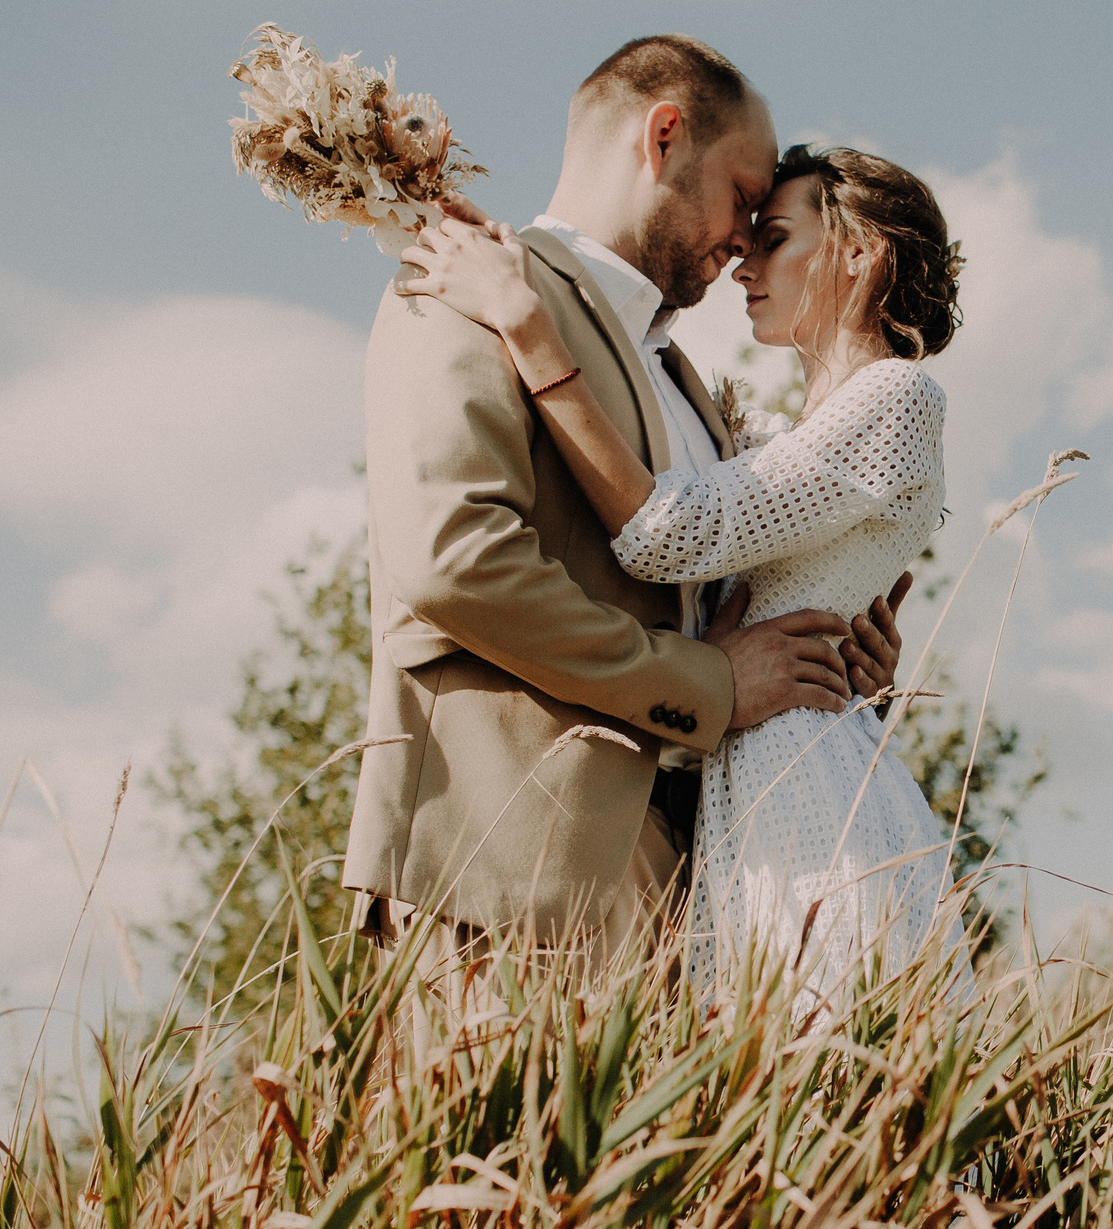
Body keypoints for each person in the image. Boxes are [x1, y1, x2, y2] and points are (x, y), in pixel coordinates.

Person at [343, 37, 907, 958]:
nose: (745, 240)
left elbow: (721, 617)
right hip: (514, 873)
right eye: (741, 194)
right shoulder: (466, 282)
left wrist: (833, 659)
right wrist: (713, 686)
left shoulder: (680, 377)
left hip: (703, 893)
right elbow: (454, 561)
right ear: (665, 136)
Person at [396, 141, 968, 1007]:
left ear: (861, 250)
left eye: (773, 237)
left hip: (799, 780)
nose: (744, 263)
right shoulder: (789, 428)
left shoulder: (896, 398)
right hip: (739, 778)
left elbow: (672, 534)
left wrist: (527, 323)